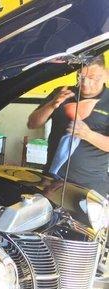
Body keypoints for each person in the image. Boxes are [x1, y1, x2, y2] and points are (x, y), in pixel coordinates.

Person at [27, 55, 109, 196]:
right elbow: (32, 124)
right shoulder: (62, 92)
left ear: (106, 74)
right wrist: (52, 105)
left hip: (91, 184)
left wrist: (88, 134)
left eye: (93, 78)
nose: (85, 83)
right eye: (81, 77)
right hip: (51, 179)